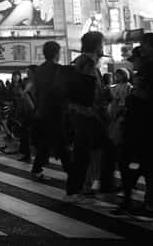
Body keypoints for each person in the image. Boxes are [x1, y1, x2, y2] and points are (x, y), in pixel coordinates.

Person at [63, 32, 107, 204]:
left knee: (87, 151)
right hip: (86, 114)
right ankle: (83, 188)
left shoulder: (80, 62)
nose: (103, 48)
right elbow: (90, 93)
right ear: (96, 46)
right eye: (102, 44)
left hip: (80, 113)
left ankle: (82, 187)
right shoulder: (88, 64)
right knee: (89, 151)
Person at [112, 36, 153, 219]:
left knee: (138, 163)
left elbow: (144, 97)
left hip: (142, 126)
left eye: (143, 48)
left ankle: (134, 200)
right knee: (138, 164)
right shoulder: (142, 73)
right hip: (137, 125)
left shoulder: (147, 72)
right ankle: (134, 200)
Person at [30, 41, 66, 181]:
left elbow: (36, 91)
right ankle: (74, 178)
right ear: (57, 53)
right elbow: (62, 91)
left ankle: (36, 168)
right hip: (55, 111)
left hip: (42, 111)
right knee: (61, 145)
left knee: (45, 143)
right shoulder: (59, 70)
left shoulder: (39, 70)